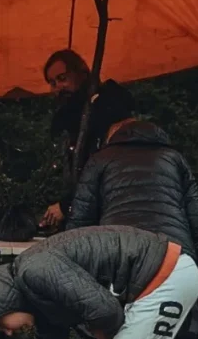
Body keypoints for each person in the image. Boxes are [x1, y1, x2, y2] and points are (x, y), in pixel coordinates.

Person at [0, 226, 198, 339]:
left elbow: (106, 311)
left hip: (166, 277)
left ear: (2, 302)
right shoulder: (40, 301)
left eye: (1, 324)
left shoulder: (34, 271)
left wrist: (98, 330)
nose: (8, 333)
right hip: (149, 286)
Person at [66, 115, 198, 262]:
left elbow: (79, 224)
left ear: (114, 136)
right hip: (175, 256)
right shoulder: (175, 158)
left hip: (119, 253)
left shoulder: (100, 159)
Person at [40, 49, 135, 229]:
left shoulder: (106, 107)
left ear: (81, 74)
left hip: (110, 214)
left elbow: (102, 170)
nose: (57, 87)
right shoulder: (68, 119)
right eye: (52, 83)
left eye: (62, 78)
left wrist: (66, 205)